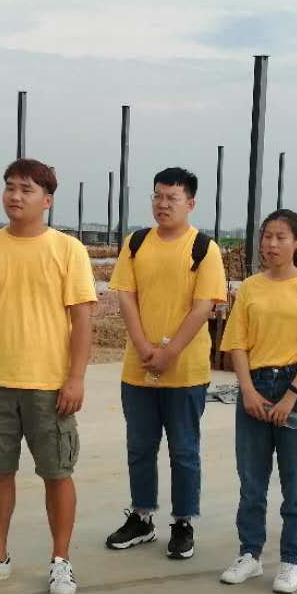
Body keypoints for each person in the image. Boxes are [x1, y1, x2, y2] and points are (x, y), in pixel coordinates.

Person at [0, 158, 97, 594]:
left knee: (57, 473)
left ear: (46, 200)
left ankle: (61, 562)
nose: (15, 196)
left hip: (50, 385)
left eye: (27, 189)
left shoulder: (68, 250)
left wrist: (75, 378)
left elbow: (83, 319)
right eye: (10, 187)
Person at [103, 167, 228, 560]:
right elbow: (126, 296)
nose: (163, 204)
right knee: (140, 447)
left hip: (186, 371)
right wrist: (143, 347)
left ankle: (183, 522)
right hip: (137, 369)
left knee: (183, 450)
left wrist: (168, 353)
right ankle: (142, 517)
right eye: (157, 196)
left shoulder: (204, 248)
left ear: (190, 203)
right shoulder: (136, 243)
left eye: (172, 197)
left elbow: (203, 307)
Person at [218, 210, 297, 594]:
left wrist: (292, 394)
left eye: (281, 237)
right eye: (266, 236)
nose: (271, 244)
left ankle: (290, 560)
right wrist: (247, 390)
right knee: (251, 480)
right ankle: (250, 554)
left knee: (296, 481)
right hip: (255, 384)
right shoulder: (250, 288)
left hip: (294, 386)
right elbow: (237, 344)